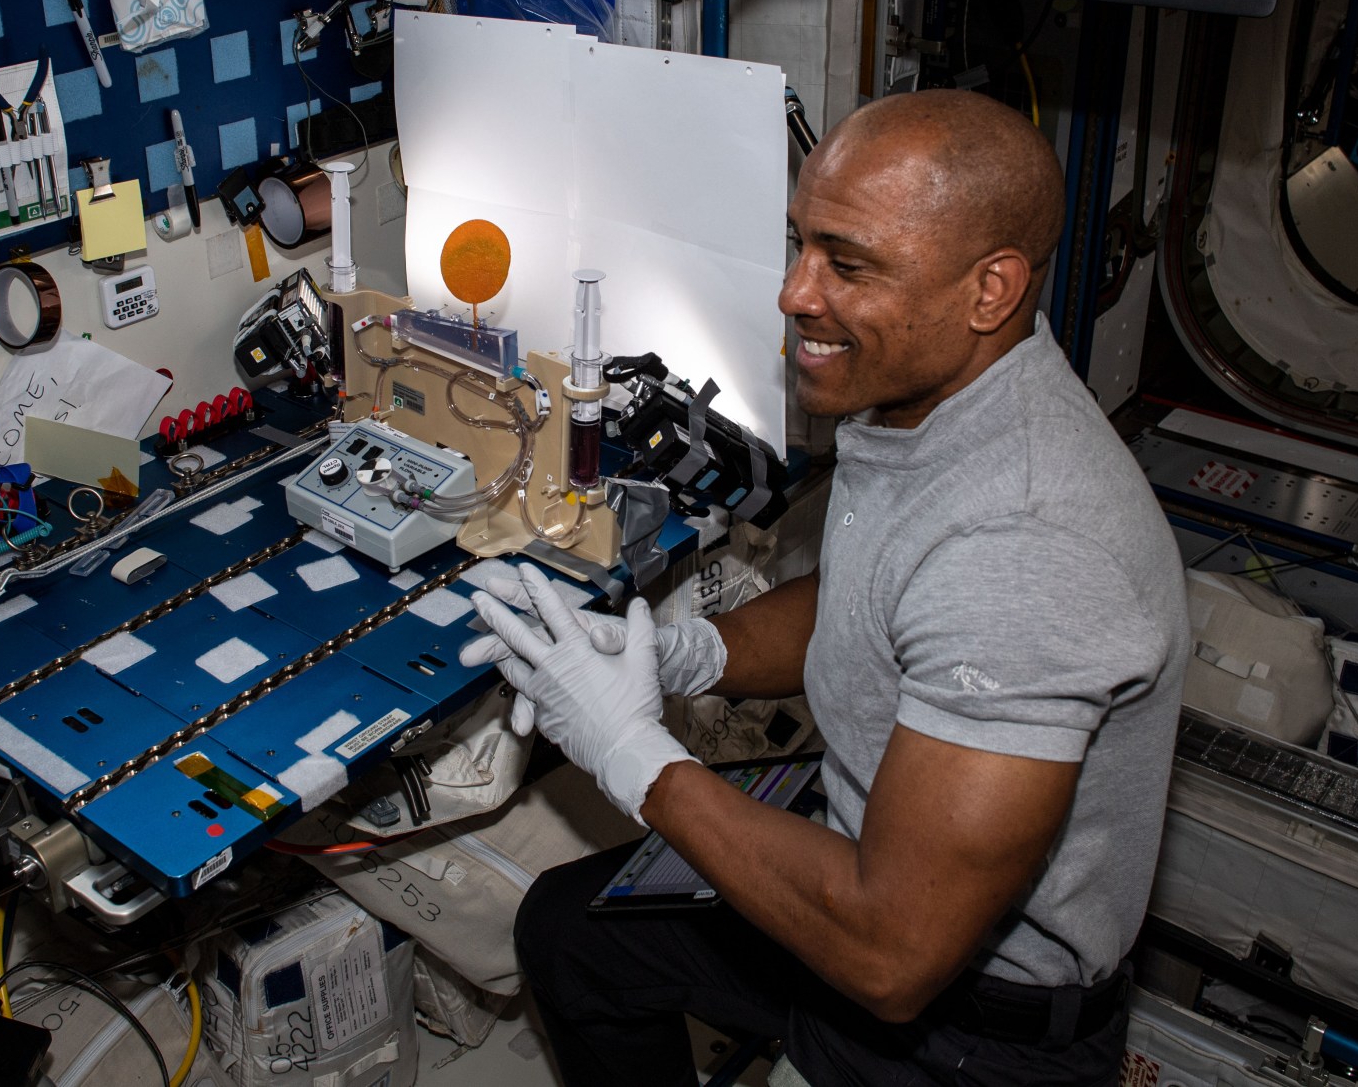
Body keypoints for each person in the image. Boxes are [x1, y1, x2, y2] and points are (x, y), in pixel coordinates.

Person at [459, 89, 1191, 1087]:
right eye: (799, 244)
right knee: (572, 933)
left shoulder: (1023, 549)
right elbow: (870, 595)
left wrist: (631, 754)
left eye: (847, 265)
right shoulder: (935, 396)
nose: (794, 292)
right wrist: (688, 654)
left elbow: (891, 954)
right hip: (864, 864)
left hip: (959, 1024)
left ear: (989, 290)